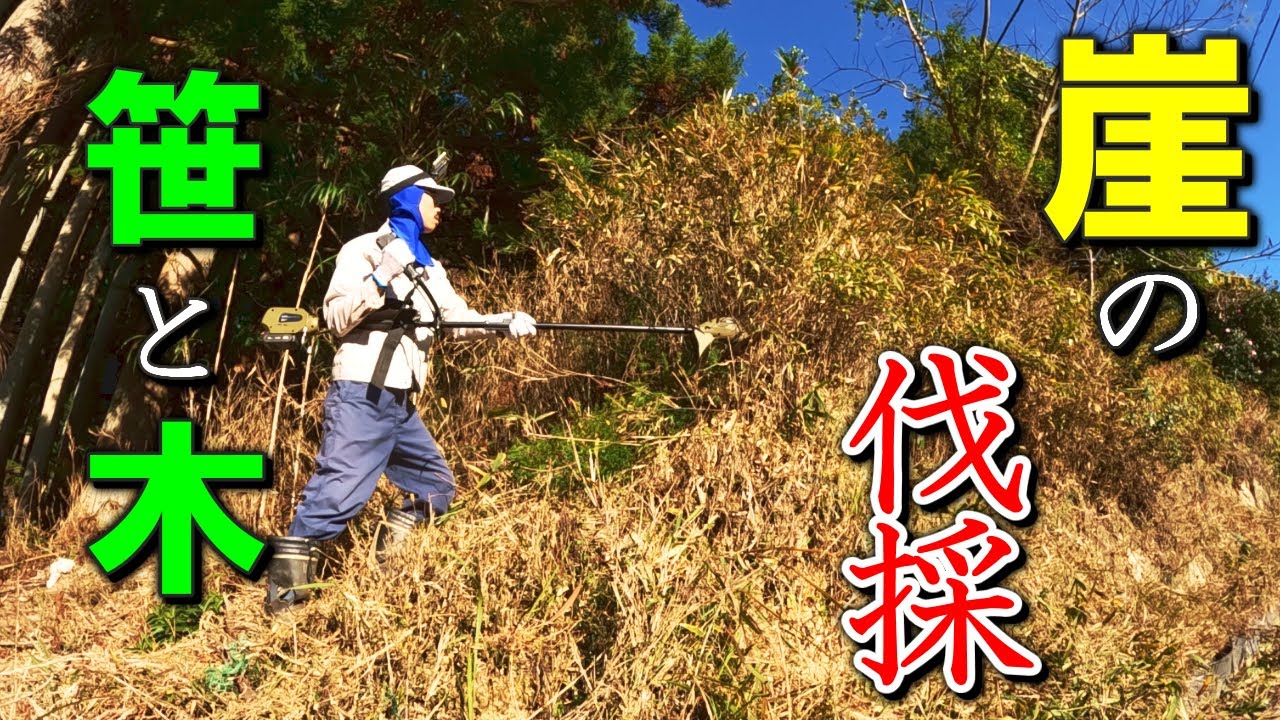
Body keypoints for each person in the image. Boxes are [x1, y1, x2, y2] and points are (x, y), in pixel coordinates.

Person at [264, 165, 536, 614]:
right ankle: (285, 602)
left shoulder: (431, 267)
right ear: (409, 198)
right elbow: (335, 318)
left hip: (401, 401)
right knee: (339, 490)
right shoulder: (363, 250)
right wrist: (380, 280)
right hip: (363, 389)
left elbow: (454, 320)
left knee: (435, 485)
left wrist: (501, 323)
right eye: (434, 199)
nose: (441, 210)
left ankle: (389, 570)